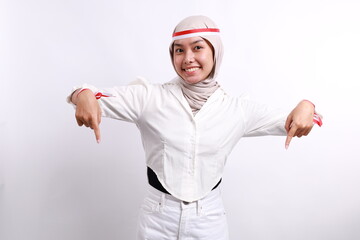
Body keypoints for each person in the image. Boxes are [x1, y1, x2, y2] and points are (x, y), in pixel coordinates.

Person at [67, 15, 322, 240]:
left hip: (208, 219)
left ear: (215, 52)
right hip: (157, 217)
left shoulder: (237, 109)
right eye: (179, 50)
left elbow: (304, 118)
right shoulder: (149, 97)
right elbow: (87, 95)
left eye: (197, 47)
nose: (187, 58)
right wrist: (84, 94)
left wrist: (307, 104)